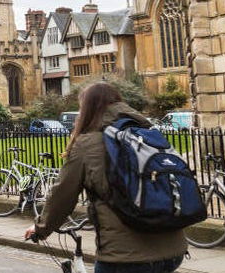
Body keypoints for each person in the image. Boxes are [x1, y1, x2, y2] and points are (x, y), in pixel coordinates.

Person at [27, 82, 188, 273]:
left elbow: (62, 195)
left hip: (125, 257)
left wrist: (41, 229)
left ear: (86, 109)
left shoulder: (87, 143)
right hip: (173, 249)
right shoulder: (149, 134)